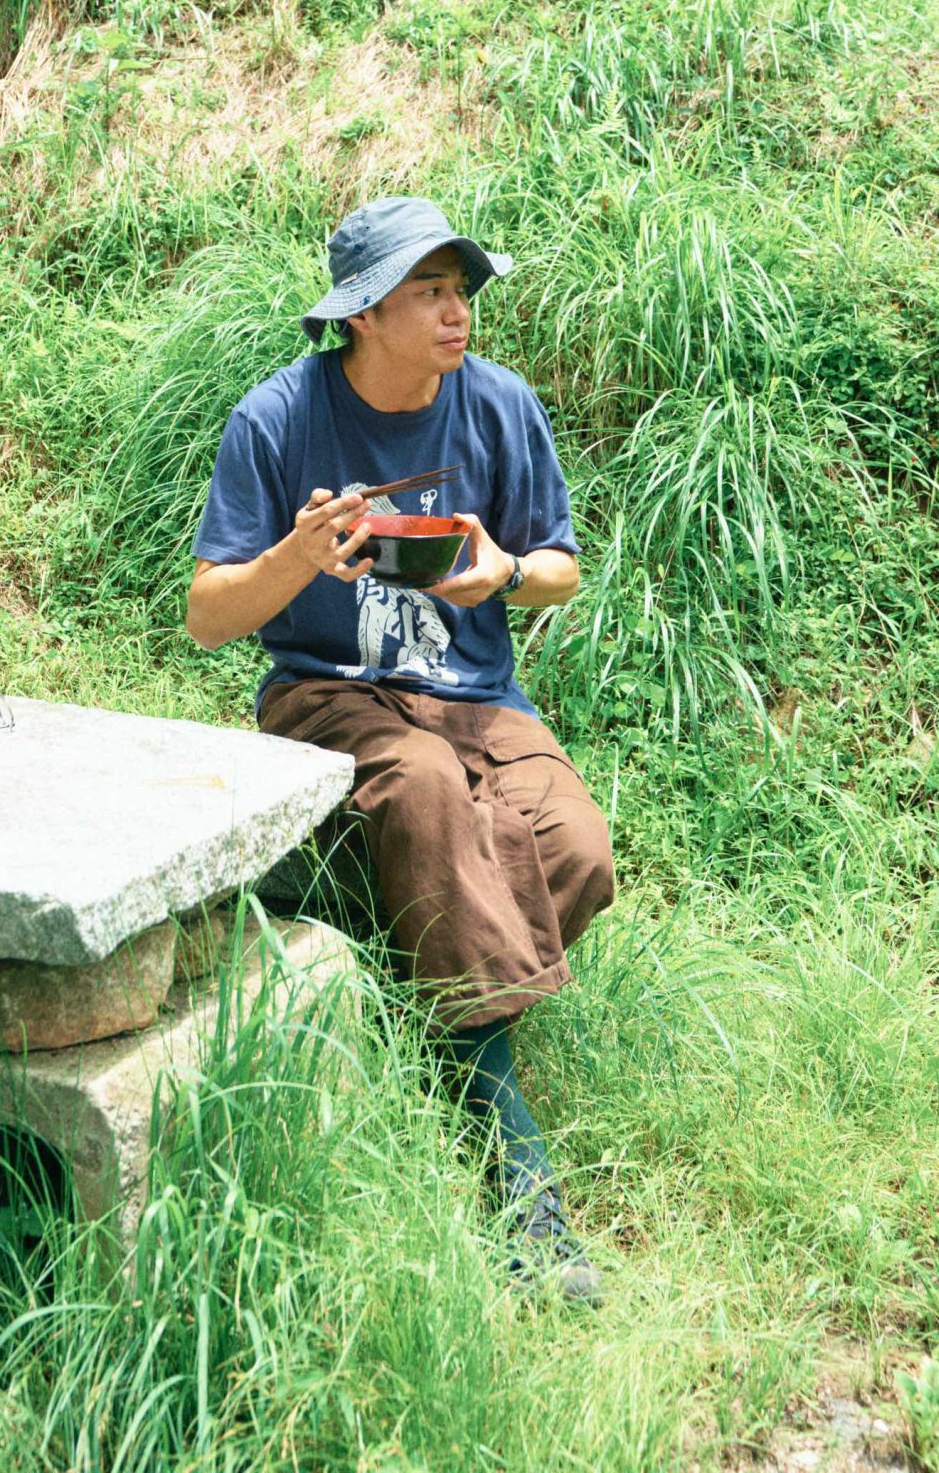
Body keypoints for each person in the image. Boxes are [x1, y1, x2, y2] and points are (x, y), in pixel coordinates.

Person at [186, 195, 614, 1299]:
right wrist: (295, 555)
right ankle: (521, 1180)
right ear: (364, 312)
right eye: (429, 291)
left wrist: (504, 571)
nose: (456, 312)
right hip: (329, 694)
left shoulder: (501, 406)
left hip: (480, 696)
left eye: (462, 289)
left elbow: (564, 565)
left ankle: (417, 999)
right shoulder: (279, 419)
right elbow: (209, 613)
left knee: (576, 843)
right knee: (424, 793)